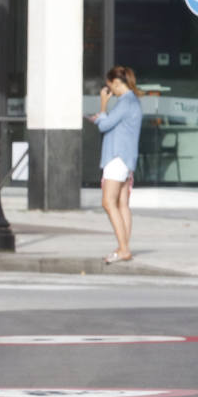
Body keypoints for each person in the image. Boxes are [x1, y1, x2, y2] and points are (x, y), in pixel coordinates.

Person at [89, 65, 142, 263]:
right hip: (127, 159)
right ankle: (123, 246)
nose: (110, 91)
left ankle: (123, 249)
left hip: (116, 158)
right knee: (122, 204)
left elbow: (104, 125)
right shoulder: (134, 102)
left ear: (117, 83)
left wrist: (103, 105)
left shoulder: (124, 102)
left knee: (108, 202)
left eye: (110, 86)